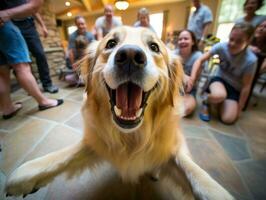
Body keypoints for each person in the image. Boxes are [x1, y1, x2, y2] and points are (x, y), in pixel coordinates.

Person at [0, 0, 63, 120]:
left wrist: (42, 26)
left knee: (2, 72)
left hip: (19, 25)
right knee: (22, 67)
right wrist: (6, 14)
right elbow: (35, 5)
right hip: (6, 25)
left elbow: (34, 9)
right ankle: (43, 101)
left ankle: (7, 108)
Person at [187, 22, 257, 124]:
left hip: (234, 89)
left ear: (248, 41)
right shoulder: (221, 47)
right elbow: (199, 60)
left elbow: (246, 86)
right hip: (219, 80)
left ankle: (217, 102)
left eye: (239, 41)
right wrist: (192, 78)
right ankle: (207, 100)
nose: (232, 44)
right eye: (231, 39)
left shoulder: (251, 60)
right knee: (220, 95)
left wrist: (240, 108)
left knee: (228, 119)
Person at [12, 12, 59, 93]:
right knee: (22, 60)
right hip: (12, 25)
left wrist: (43, 26)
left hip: (29, 25)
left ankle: (47, 84)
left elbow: (34, 10)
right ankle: (31, 86)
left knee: (40, 54)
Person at [174, 30, 203, 116]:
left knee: (187, 109)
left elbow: (195, 80)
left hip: (190, 90)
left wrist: (188, 80)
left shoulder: (198, 56)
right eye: (180, 39)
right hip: (175, 87)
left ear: (193, 42)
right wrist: (182, 75)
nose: (182, 41)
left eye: (186, 39)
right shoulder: (174, 54)